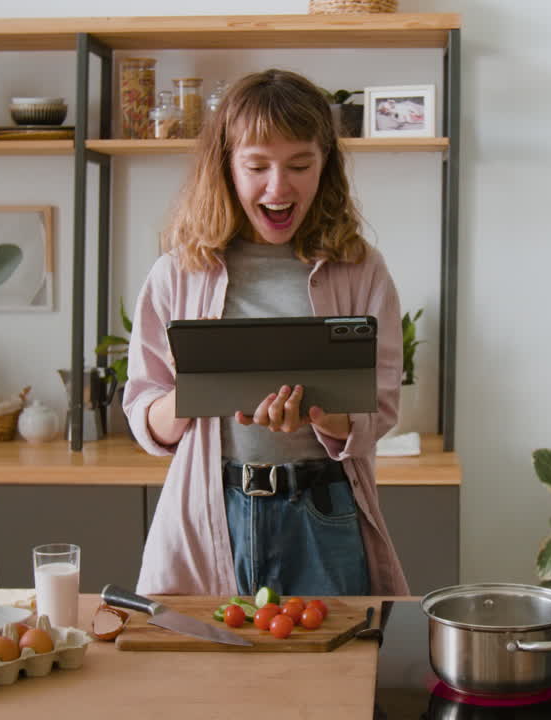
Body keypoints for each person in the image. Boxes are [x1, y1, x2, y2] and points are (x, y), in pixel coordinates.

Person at [123, 69, 410, 597]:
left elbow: (382, 407)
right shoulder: (177, 272)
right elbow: (145, 415)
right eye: (257, 166)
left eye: (300, 165)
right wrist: (195, 391)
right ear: (227, 168)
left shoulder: (361, 269)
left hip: (322, 514)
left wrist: (321, 414)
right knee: (210, 675)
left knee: (334, 674)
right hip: (211, 509)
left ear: (326, 166)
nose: (279, 187)